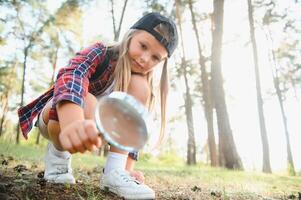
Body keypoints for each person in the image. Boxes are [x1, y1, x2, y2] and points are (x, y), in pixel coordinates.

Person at [17, 12, 178, 199]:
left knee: (141, 88)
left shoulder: (140, 85)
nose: (144, 58)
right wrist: (73, 123)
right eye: (143, 46)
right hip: (58, 117)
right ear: (131, 35)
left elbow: (132, 129)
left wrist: (125, 170)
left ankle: (113, 172)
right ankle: (58, 159)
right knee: (89, 100)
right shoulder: (101, 52)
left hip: (96, 129)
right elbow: (72, 76)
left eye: (155, 58)